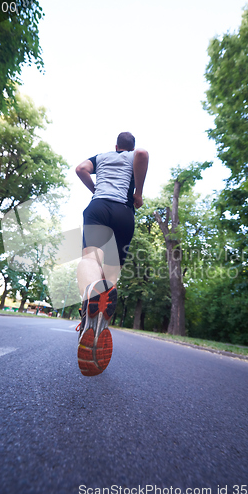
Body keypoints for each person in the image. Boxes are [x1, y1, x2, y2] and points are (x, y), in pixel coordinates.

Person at [75, 132, 149, 377]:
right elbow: (142, 154)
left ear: (116, 146)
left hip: (99, 208)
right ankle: (100, 320)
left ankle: (89, 303)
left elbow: (80, 169)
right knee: (111, 270)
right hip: (124, 214)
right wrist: (138, 193)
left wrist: (94, 188)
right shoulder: (133, 155)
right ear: (130, 147)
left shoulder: (103, 157)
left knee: (90, 258)